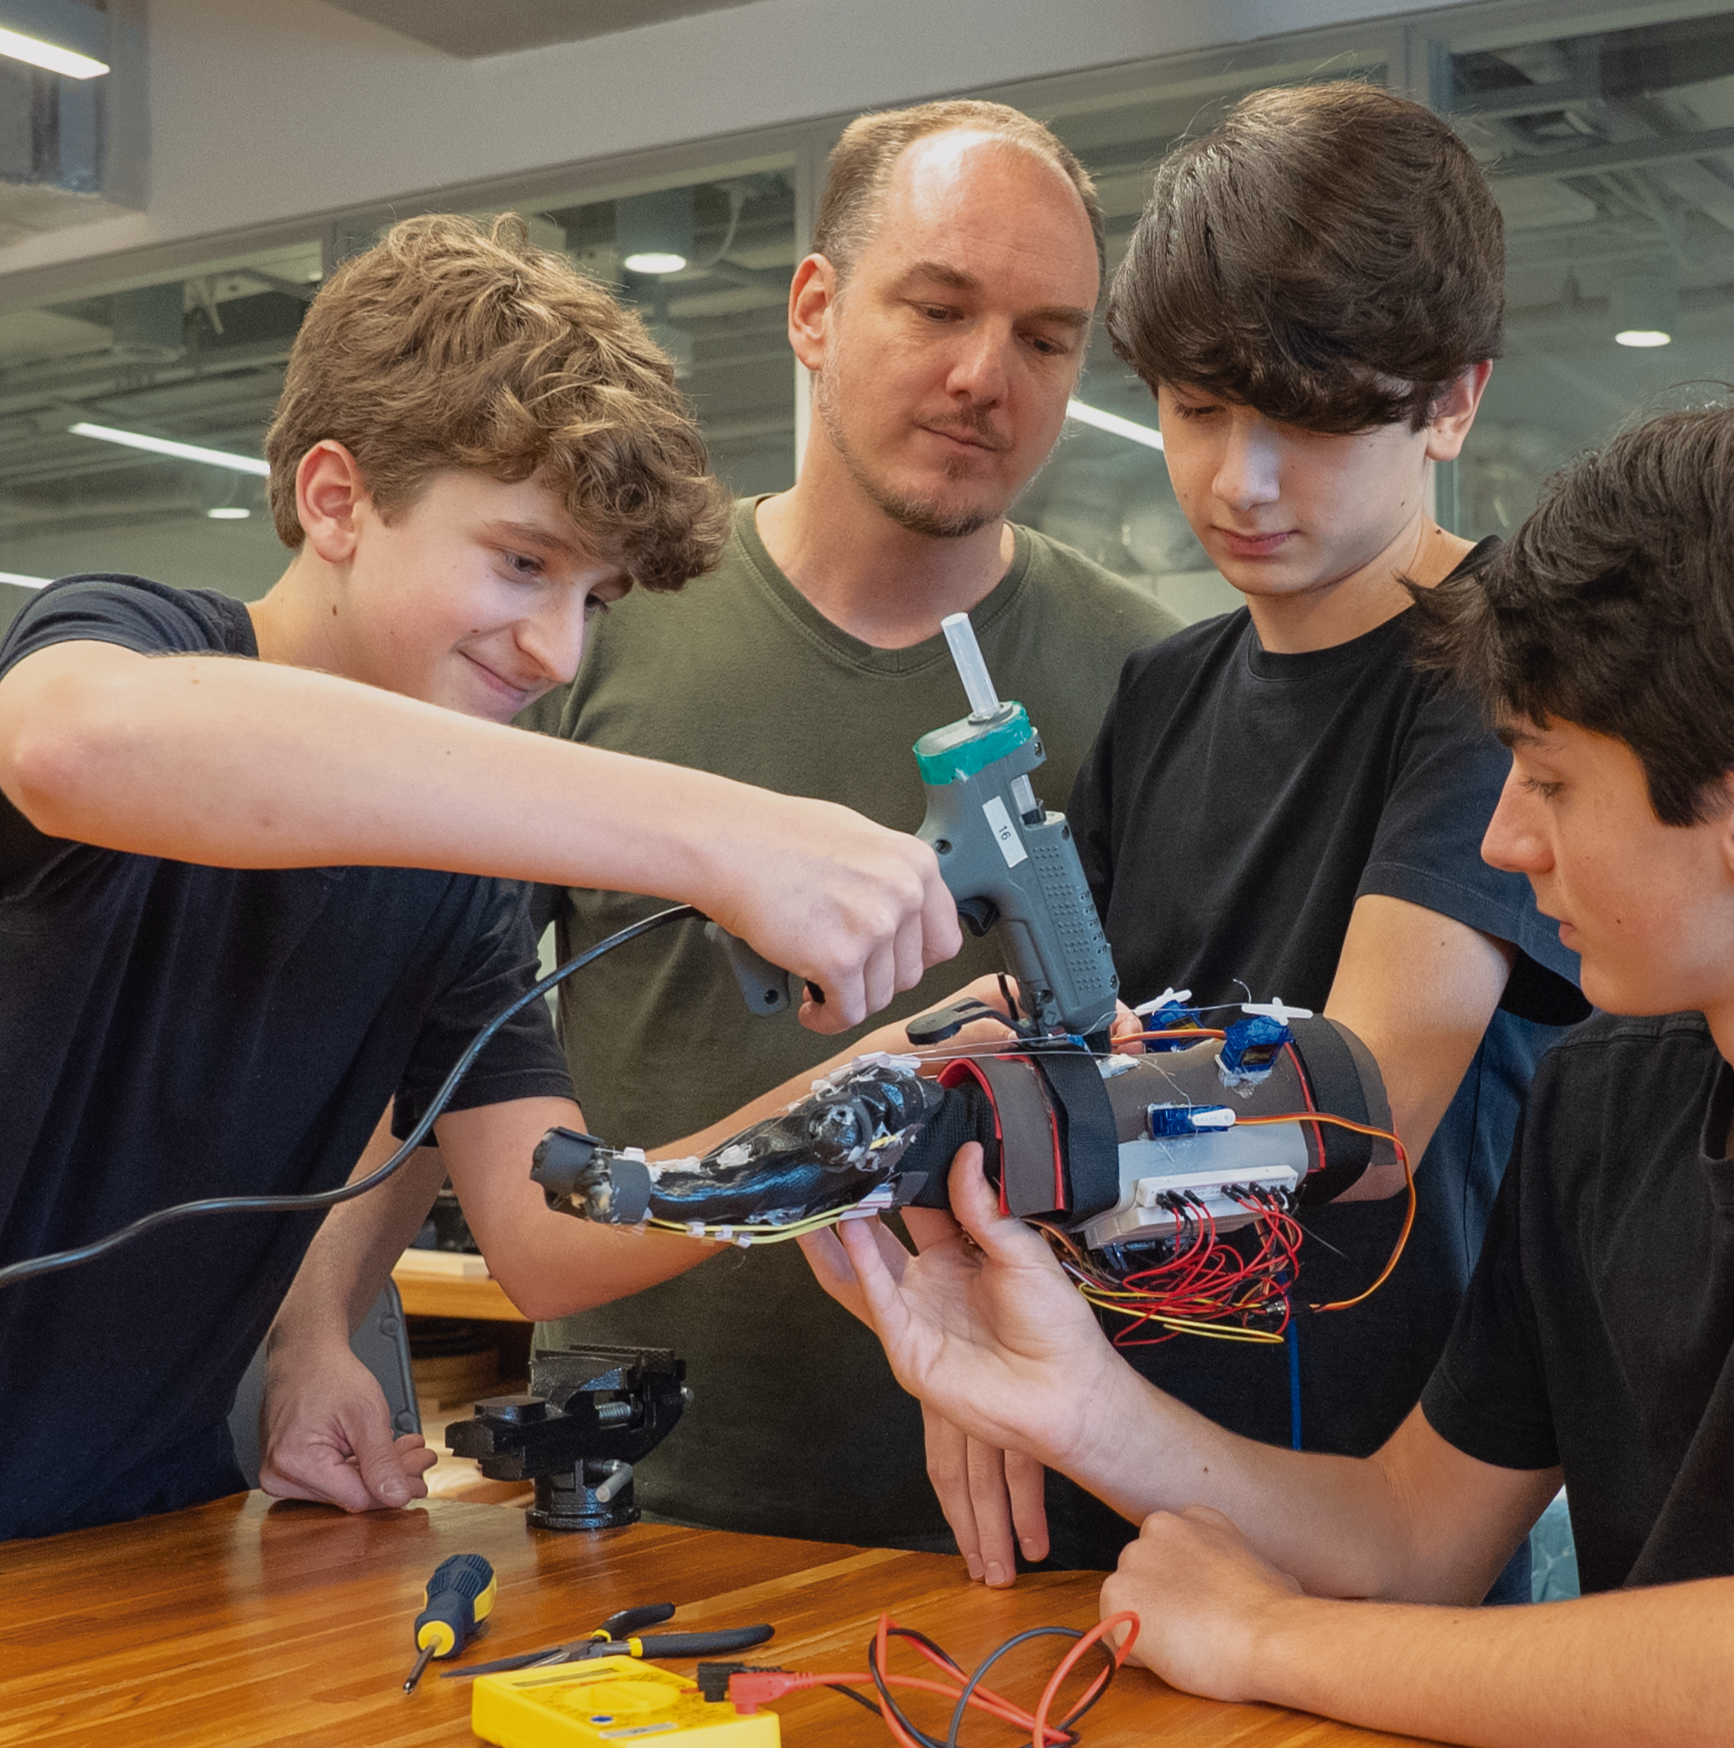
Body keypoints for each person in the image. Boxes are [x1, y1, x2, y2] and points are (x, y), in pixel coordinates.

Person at [810, 361, 1734, 1748]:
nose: (1501, 837)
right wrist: (1065, 1398)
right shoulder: (1610, 1094)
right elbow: (1415, 1536)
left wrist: (1274, 1640)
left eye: (1548, 779)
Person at [0, 212, 959, 1577]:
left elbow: (555, 1236)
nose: (556, 648)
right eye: (521, 562)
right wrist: (719, 833)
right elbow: (71, 746)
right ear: (335, 500)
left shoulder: (459, 883)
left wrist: (873, 1094)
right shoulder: (127, 645)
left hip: (126, 1548)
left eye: (595, 598)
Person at [252, 101, 1182, 1547]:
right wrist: (318, 1322)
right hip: (646, 1501)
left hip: (1039, 1517)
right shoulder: (581, 629)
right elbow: (441, 1040)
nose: (984, 375)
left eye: (1047, 339)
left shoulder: (1150, 676)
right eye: (935, 306)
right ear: (815, 310)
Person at [931, 82, 1584, 1584]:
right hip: (1117, 1467)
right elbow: (1059, 1027)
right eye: (1197, 410)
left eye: (1303, 423)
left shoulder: (1507, 675)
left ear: (1452, 400)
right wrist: (962, 1235)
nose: (1240, 481)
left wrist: (989, 1148)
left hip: (1394, 1513)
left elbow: (1359, 1109)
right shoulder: (1163, 691)